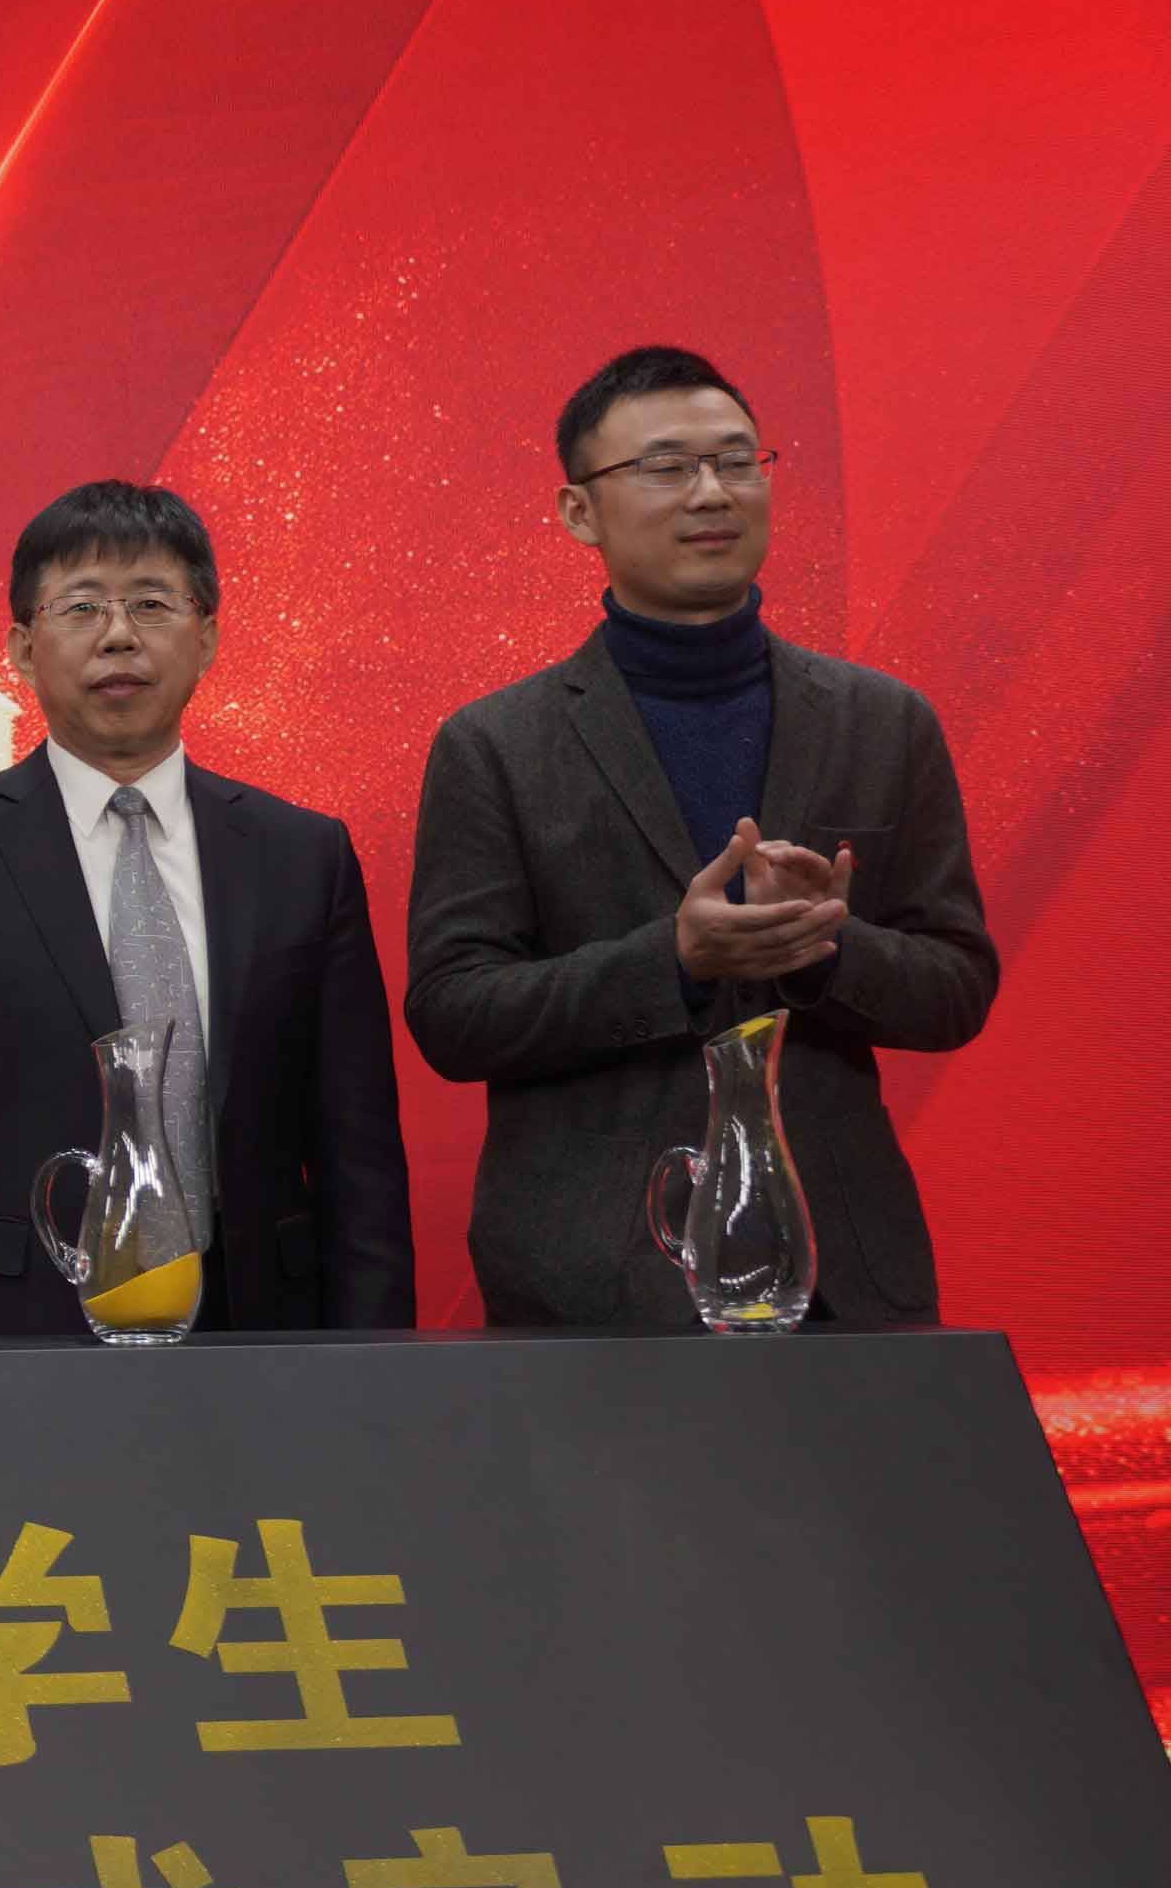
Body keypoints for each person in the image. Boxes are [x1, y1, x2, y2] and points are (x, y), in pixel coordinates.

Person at [406, 345, 996, 1325]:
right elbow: (453, 1014)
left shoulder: (883, 721)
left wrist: (823, 949)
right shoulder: (495, 744)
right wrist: (672, 961)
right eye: (666, 466)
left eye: (735, 461)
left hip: (842, 1280)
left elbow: (957, 987)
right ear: (579, 512)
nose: (711, 492)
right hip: (589, 1284)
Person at [0, 481, 411, 1337]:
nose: (118, 635)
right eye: (82, 607)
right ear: (23, 648)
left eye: (151, 603)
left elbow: (358, 1152)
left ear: (206, 637)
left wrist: (374, 1363)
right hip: (14, 1335)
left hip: (262, 1330)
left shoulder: (302, 854)